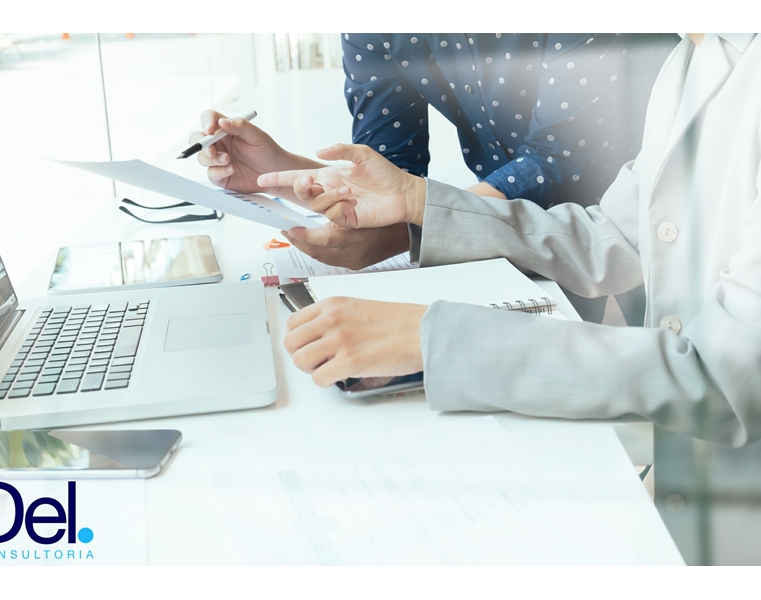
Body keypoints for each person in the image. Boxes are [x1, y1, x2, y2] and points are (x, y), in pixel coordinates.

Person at [259, 34, 761, 447]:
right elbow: (609, 235)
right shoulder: (694, 55)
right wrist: (415, 201)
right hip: (686, 461)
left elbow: (723, 380)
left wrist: (434, 339)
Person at [192, 33, 677, 323]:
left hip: (662, 200)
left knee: (675, 372)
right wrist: (277, 171)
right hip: (522, 224)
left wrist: (411, 225)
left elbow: (558, 160)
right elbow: (390, 171)